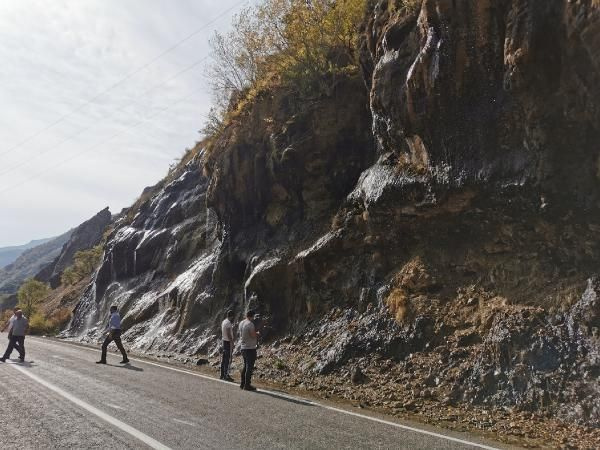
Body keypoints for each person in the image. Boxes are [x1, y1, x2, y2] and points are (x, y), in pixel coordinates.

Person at [239, 309, 259, 391]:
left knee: (245, 366)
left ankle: (242, 383)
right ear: (252, 316)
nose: (254, 318)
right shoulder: (250, 324)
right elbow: (253, 335)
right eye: (254, 316)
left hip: (243, 347)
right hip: (250, 348)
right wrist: (257, 333)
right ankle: (247, 385)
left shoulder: (241, 323)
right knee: (249, 367)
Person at [220, 310, 235, 381]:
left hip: (224, 341)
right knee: (228, 359)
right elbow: (229, 333)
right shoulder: (228, 323)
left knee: (224, 359)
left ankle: (222, 374)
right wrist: (232, 342)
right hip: (228, 342)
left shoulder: (224, 321)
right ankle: (226, 375)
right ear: (231, 316)